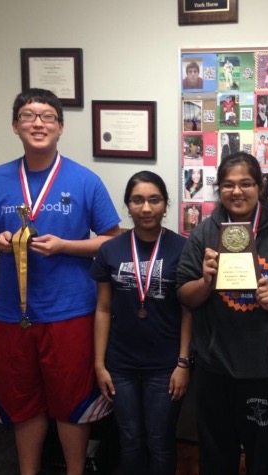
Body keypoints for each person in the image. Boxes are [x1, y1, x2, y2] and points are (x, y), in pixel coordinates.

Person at [0, 88, 121, 475]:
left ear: (61, 127)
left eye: (48, 116)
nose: (38, 123)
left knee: (71, 401)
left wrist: (66, 245)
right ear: (15, 125)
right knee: (23, 403)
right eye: (28, 115)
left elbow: (113, 241)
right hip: (11, 314)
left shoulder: (84, 180)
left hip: (69, 312)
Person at [176, 152, 268, 475]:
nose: (237, 191)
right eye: (228, 185)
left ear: (260, 185)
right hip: (213, 365)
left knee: (262, 457)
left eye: (246, 183)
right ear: (218, 189)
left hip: (265, 368)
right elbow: (184, 295)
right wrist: (206, 281)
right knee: (215, 455)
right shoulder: (204, 233)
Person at [91, 171, 191, 475]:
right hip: (121, 365)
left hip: (166, 365)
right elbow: (103, 309)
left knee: (160, 439)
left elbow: (189, 311)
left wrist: (184, 363)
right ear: (128, 205)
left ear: (165, 204)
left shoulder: (182, 248)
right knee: (130, 438)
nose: (146, 208)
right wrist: (99, 365)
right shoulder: (110, 249)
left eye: (154, 200)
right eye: (137, 200)